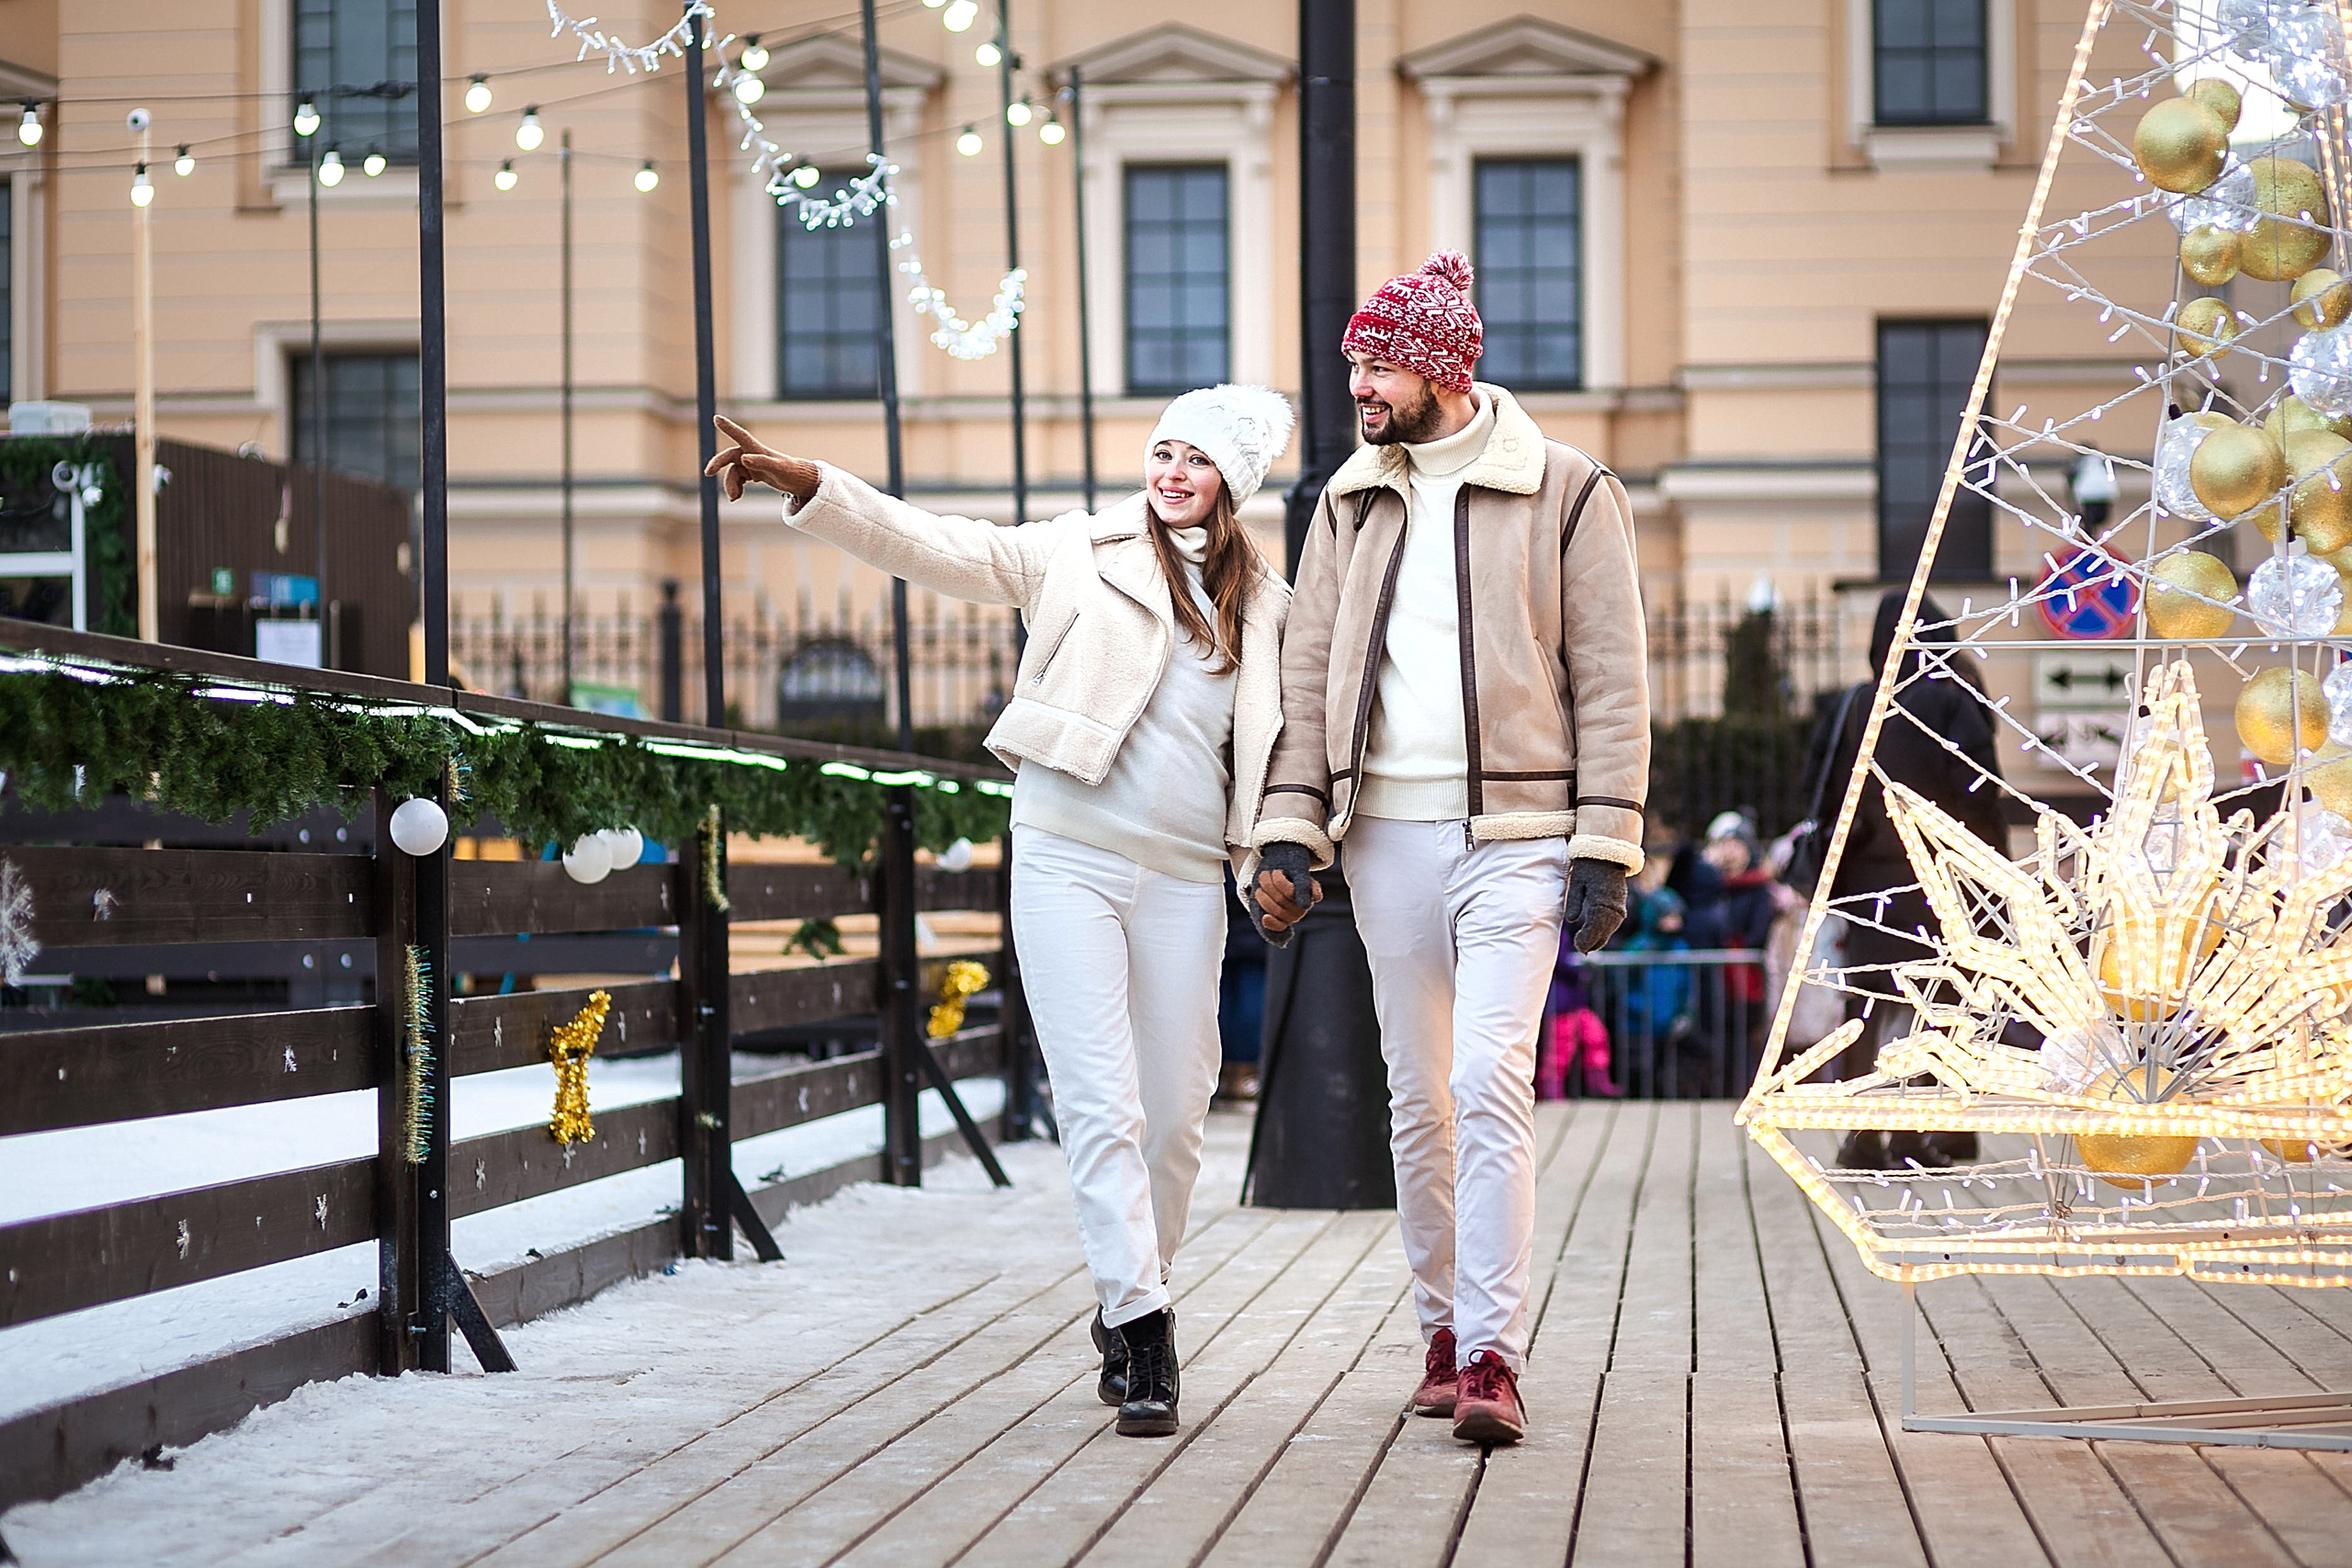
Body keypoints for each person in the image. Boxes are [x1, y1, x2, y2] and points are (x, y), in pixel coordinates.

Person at [704, 387, 1295, 1439]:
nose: (1169, 472)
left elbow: (1291, 748)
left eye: (1194, 459)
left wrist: (1287, 855)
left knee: (1177, 1109)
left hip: (1184, 874)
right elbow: (936, 545)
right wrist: (813, 487)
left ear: (1231, 483)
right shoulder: (1078, 549)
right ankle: (1145, 1326)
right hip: (1070, 854)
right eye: (1161, 450)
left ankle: (1132, 1286)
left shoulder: (1268, 607)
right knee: (1101, 1100)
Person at [1250, 252, 1649, 1447]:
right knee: (1419, 1099)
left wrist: (1607, 842)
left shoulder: (1569, 489)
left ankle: (1491, 1350)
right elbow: (1308, 672)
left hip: (1520, 835)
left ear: (1440, 369)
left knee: (1487, 1081)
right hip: (1383, 837)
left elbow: (1614, 676)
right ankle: (1438, 1329)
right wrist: (1289, 824)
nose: (1358, 386)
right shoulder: (1348, 499)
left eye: (1377, 366)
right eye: (1354, 365)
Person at [1807, 589, 2007, 1168]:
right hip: (1937, 882)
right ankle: (1918, 1133)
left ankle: (1864, 1133)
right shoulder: (1949, 699)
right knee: (1934, 1005)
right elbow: (1980, 785)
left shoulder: (1854, 705)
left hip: (1865, 883)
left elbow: (1819, 789)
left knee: (1867, 1006)